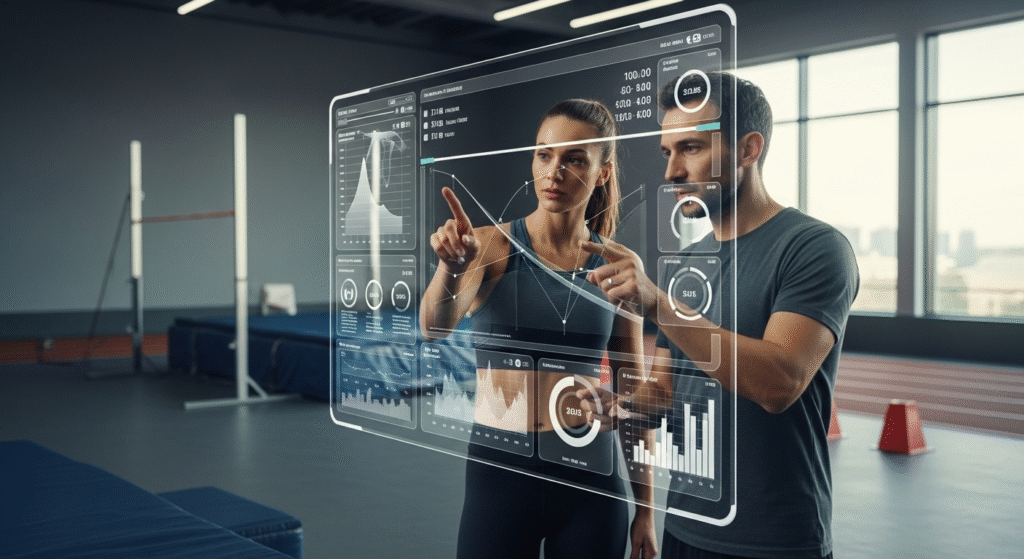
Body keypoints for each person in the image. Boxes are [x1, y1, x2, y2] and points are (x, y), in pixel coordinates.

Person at [578, 71, 859, 558]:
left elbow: (779, 382)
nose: (672, 172)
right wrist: (619, 404)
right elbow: (663, 393)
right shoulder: (689, 264)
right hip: (687, 530)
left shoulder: (814, 248)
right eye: (668, 152)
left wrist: (660, 305)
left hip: (775, 541)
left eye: (691, 148)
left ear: (749, 149)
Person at [420, 98, 658, 559]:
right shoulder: (489, 245)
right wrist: (451, 269)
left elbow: (632, 387)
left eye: (574, 159)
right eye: (544, 155)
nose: (554, 172)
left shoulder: (618, 264)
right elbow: (434, 327)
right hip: (501, 474)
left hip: (592, 477)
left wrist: (646, 510)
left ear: (602, 172)